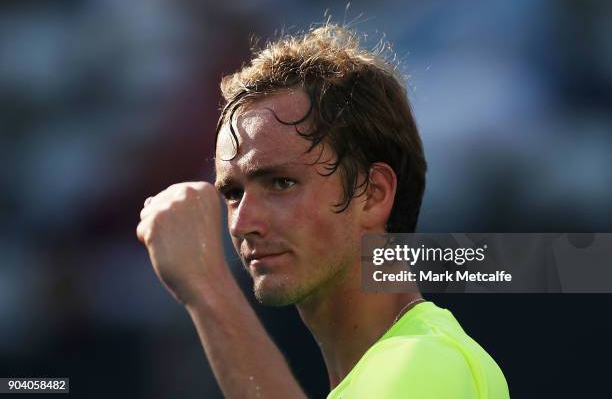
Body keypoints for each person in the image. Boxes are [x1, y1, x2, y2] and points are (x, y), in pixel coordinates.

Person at [137, 24, 509, 398]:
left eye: (281, 183)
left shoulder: (428, 361)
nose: (241, 223)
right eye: (233, 193)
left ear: (373, 193)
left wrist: (207, 287)